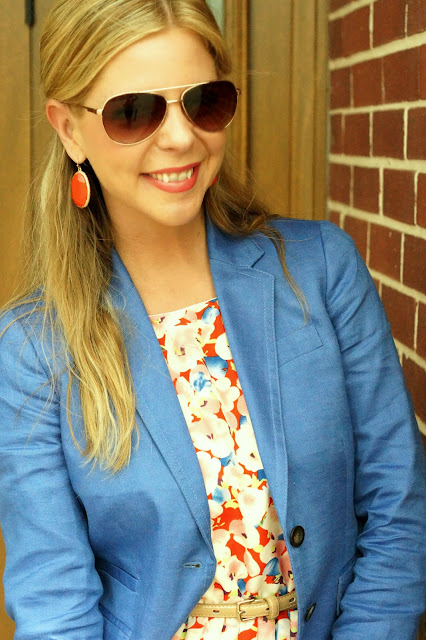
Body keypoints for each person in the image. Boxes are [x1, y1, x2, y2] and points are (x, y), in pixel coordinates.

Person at [0, 0, 425, 638]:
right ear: (69, 129)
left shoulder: (320, 269)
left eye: (204, 102)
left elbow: (398, 506)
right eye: (133, 112)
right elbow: (52, 598)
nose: (180, 138)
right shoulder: (33, 348)